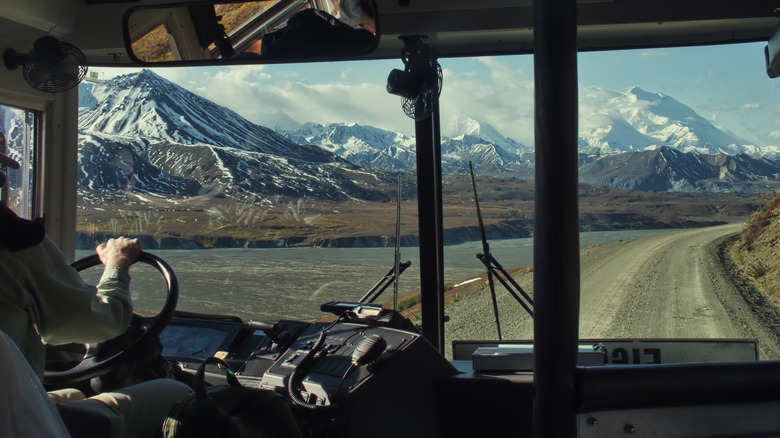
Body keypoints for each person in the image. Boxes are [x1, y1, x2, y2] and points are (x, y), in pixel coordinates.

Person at [0, 201, 192, 438]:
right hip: (15, 422)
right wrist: (117, 265)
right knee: (177, 392)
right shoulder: (12, 236)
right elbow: (99, 322)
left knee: (74, 394)